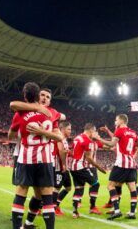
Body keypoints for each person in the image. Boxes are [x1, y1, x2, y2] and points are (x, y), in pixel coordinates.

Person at [8, 82, 63, 229]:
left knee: (35, 193)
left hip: (33, 158)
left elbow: (59, 137)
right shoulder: (51, 113)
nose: (44, 98)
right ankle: (26, 224)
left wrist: (42, 132)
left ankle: (26, 223)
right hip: (39, 158)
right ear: (37, 97)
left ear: (50, 101)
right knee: (41, 194)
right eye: (42, 95)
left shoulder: (23, 112)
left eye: (48, 97)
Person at [95, 114, 138, 220]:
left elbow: (112, 144)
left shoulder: (119, 130)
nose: (115, 121)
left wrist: (99, 139)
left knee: (110, 186)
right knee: (132, 188)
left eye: (116, 120)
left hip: (121, 163)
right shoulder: (133, 132)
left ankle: (116, 210)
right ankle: (132, 212)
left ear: (121, 121)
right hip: (131, 164)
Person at [69, 123, 107, 219]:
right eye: (94, 131)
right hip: (81, 167)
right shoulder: (87, 141)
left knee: (79, 188)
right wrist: (99, 167)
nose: (95, 133)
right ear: (91, 131)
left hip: (73, 167)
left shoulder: (78, 137)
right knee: (95, 184)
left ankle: (74, 212)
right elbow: (89, 158)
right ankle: (92, 207)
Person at [53, 121, 73, 216]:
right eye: (69, 129)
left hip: (64, 166)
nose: (70, 131)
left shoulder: (64, 139)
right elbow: (60, 150)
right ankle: (52, 208)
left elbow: (63, 151)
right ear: (63, 129)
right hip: (59, 166)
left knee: (68, 187)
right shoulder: (59, 137)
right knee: (56, 188)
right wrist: (64, 165)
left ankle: (55, 204)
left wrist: (68, 152)